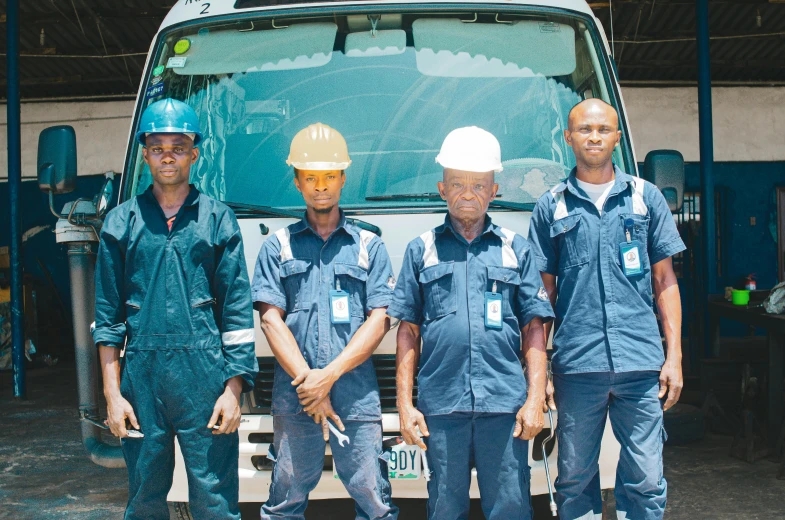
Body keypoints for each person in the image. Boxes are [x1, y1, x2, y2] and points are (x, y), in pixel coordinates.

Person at [93, 98, 258, 519]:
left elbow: (237, 314)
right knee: (145, 496)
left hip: (204, 378)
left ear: (194, 154)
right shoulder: (120, 223)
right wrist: (113, 396)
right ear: (145, 153)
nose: (168, 155)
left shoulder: (217, 220)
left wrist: (234, 389)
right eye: (158, 146)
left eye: (178, 146)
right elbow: (108, 319)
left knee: (214, 497)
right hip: (141, 380)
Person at [527, 99, 686, 520]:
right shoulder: (551, 206)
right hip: (578, 368)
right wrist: (540, 375)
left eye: (603, 130)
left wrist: (674, 357)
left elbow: (665, 281)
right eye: (584, 129)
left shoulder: (644, 199)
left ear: (617, 137)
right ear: (568, 138)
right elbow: (540, 299)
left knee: (646, 480)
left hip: (640, 364)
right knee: (575, 478)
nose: (593, 137)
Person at [388, 126, 555, 520]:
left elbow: (534, 328)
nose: (468, 193)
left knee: (511, 508)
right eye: (457, 183)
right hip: (442, 407)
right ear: (441, 189)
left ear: (494, 191)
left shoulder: (517, 250)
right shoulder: (421, 250)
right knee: (445, 509)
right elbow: (408, 331)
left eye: (478, 185)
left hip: (504, 404)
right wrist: (404, 405)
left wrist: (534, 400)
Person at [252, 123, 399, 520]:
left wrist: (327, 377)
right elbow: (270, 321)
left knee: (375, 500)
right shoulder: (277, 246)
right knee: (284, 501)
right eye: (312, 177)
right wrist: (308, 383)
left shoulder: (369, 245)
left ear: (343, 179)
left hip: (356, 393)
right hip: (295, 395)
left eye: (330, 176)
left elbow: (379, 320)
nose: (321, 186)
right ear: (298, 181)